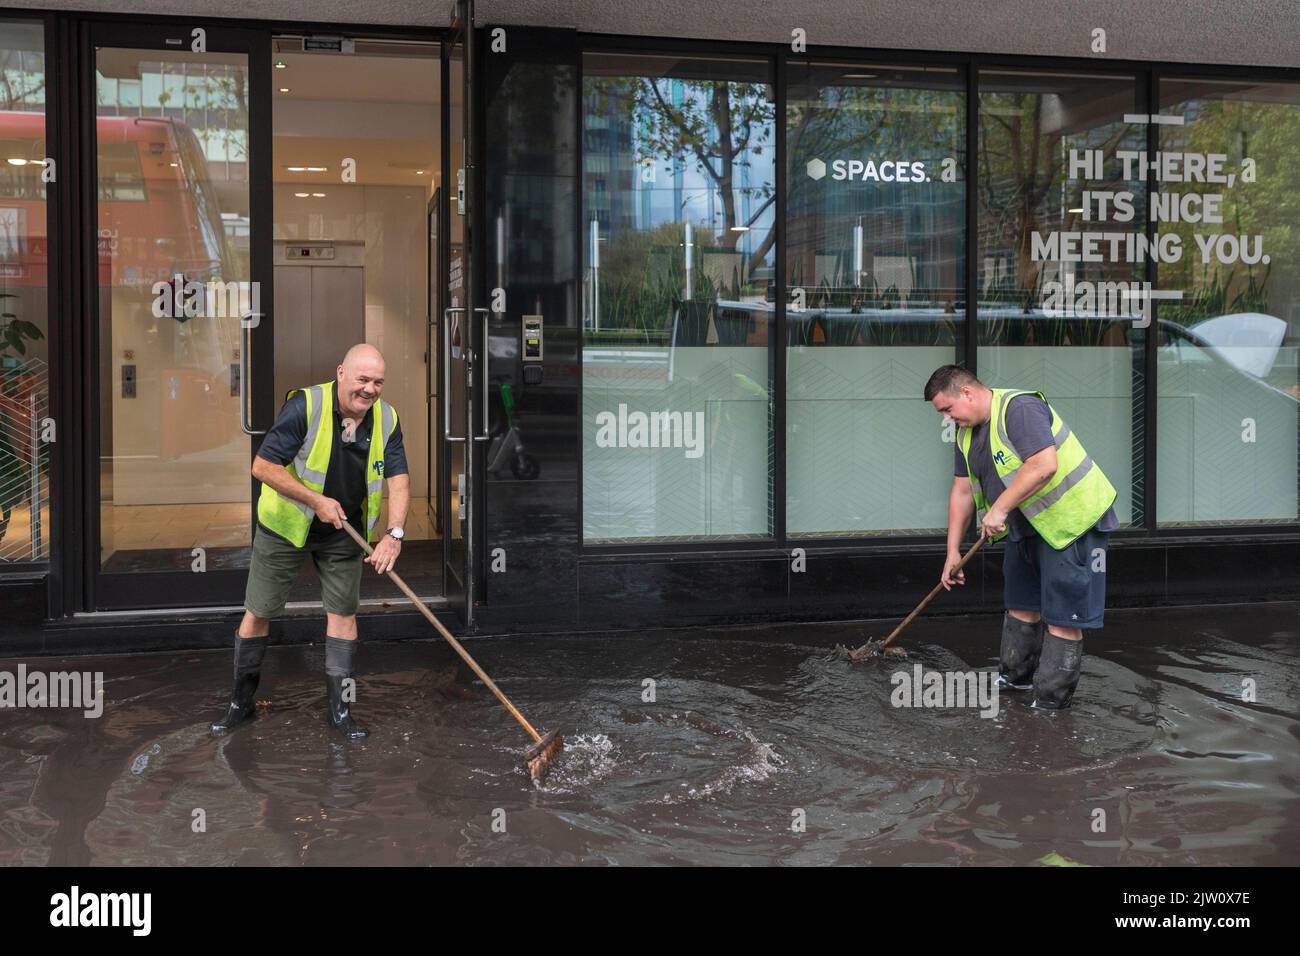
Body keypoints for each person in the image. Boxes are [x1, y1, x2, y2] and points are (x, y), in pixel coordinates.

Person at [211, 344, 410, 739]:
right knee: (260, 610)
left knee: (343, 613)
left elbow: (399, 478)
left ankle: (339, 711)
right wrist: (316, 500)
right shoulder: (306, 406)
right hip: (286, 527)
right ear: (341, 372)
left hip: (344, 531)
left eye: (378, 382)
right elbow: (263, 466)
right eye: (362, 379)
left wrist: (395, 533)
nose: (370, 390)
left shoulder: (386, 418)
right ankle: (240, 703)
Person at [925, 364, 1118, 709]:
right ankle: (1015, 682)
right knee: (1021, 605)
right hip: (1026, 526)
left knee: (1062, 617)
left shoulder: (1020, 409)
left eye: (948, 409)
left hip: (1071, 522)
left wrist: (999, 509)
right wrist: (952, 550)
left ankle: (1050, 702)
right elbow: (962, 491)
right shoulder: (966, 434)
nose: (947, 418)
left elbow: (1044, 464)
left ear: (966, 392)